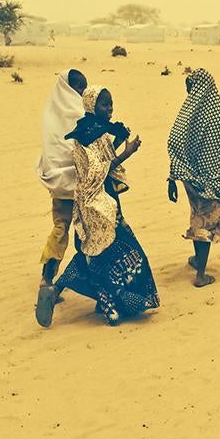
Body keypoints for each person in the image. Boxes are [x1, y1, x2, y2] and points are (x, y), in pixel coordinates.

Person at [37, 86, 159, 326]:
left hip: (99, 204)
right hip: (98, 207)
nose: (109, 108)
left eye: (111, 103)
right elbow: (97, 171)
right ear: (92, 105)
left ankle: (56, 290)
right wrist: (127, 153)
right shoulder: (87, 135)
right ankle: (114, 304)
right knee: (124, 254)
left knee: (91, 255)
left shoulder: (95, 129)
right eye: (104, 104)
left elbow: (103, 158)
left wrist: (118, 140)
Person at [167, 69, 220, 287]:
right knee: (206, 223)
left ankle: (198, 260)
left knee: (198, 219)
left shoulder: (188, 118)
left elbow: (175, 144)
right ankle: (201, 275)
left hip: (192, 181)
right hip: (216, 181)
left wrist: (175, 176)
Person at [35, 69, 87, 292]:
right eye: (80, 87)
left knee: (61, 228)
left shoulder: (51, 112)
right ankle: (52, 278)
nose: (83, 91)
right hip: (76, 183)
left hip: (60, 183)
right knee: (79, 231)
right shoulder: (79, 112)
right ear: (68, 88)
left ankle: (47, 278)